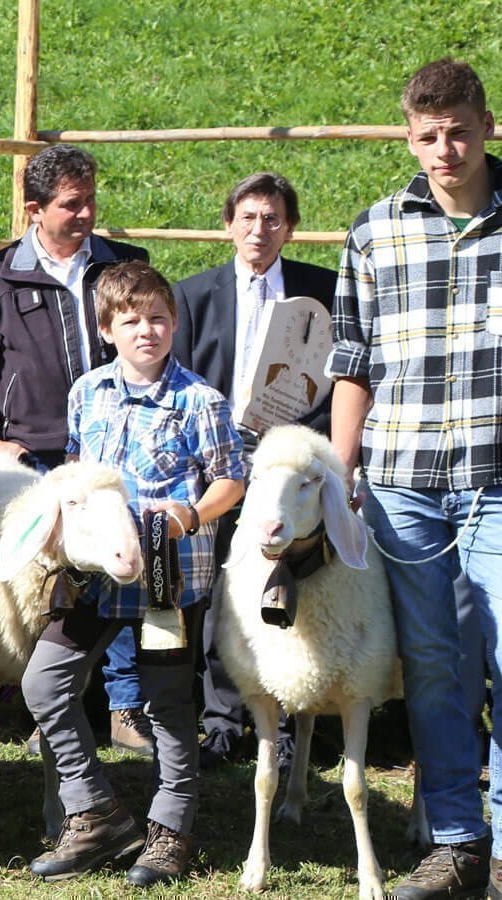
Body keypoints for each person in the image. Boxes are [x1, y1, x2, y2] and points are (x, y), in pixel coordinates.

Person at [329, 58, 502, 900]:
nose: (446, 149)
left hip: (499, 476)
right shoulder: (373, 231)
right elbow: (353, 364)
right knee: (432, 663)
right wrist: (341, 471)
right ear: (409, 136)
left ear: (487, 126)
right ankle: (458, 843)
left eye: (460, 131)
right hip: (403, 479)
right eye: (429, 136)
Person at [24, 261, 244, 887]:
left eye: (157, 318)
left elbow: (232, 477)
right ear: (107, 330)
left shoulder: (199, 401)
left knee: (168, 704)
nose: (146, 330)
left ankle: (171, 828)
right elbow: (73, 469)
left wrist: (190, 515)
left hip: (165, 580)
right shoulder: (86, 392)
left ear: (174, 323)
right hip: (94, 573)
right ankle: (94, 810)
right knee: (45, 683)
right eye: (130, 320)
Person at [0, 144, 156, 758]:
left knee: (116, 570)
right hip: (38, 450)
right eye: (71, 205)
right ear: (34, 210)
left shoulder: (124, 265)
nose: (85, 214)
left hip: (110, 450)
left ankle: (124, 705)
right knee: (39, 581)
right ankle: (36, 695)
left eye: (90, 201)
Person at [171, 172, 336, 771]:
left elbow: (333, 380)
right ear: (228, 225)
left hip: (284, 466)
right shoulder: (193, 296)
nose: (259, 230)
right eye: (248, 218)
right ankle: (222, 721)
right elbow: (183, 382)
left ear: (289, 227)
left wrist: (295, 442)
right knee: (221, 594)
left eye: (272, 219)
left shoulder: (322, 292)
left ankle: (287, 721)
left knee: (289, 589)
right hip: (219, 466)